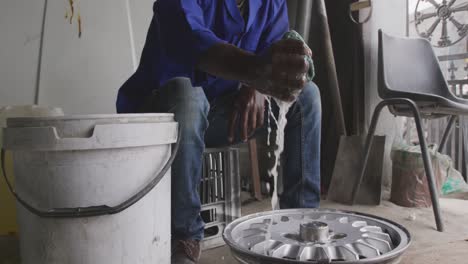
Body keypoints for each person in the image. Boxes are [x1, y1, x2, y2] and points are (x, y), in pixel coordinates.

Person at [116, 0, 321, 263]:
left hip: (217, 116)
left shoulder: (270, 3)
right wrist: (254, 72)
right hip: (160, 122)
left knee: (307, 96)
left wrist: (259, 85)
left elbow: (272, 49)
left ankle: (302, 224)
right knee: (188, 94)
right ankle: (184, 235)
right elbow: (191, 39)